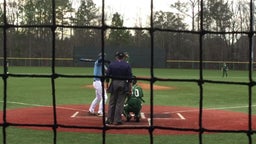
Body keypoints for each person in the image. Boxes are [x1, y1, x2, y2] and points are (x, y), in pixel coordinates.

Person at [105, 51, 133, 125]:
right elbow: (130, 78)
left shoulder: (112, 64)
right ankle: (117, 120)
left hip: (114, 83)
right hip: (123, 84)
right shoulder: (127, 65)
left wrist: (107, 85)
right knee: (120, 103)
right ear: (123, 57)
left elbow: (107, 76)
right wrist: (130, 88)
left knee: (112, 102)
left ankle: (109, 120)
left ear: (116, 57)